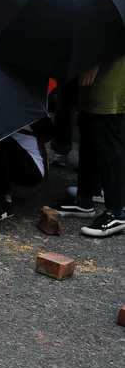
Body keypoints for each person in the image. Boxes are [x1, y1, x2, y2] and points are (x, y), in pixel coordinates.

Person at [48, 54, 125, 237]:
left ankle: (116, 212)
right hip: (94, 66)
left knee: (107, 134)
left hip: (112, 69)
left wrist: (96, 59)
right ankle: (85, 199)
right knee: (89, 128)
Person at [0, 121, 51, 222]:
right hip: (22, 162)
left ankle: (4, 202)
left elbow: (48, 133)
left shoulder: (26, 110)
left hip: (33, 170)